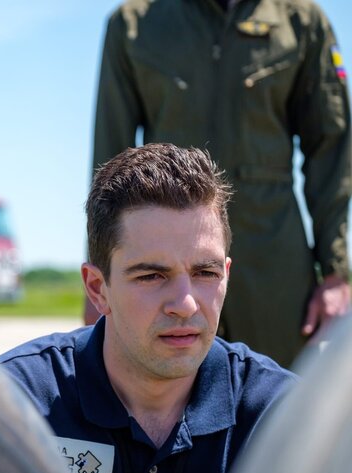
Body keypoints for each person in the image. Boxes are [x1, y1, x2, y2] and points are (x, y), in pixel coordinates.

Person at [0, 144, 297, 473]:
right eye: (152, 276)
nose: (185, 304)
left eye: (205, 273)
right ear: (98, 289)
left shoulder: (281, 418)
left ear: (226, 274)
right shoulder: (14, 404)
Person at [88, 0, 352, 368]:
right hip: (166, 265)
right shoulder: (133, 25)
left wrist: (336, 273)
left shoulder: (302, 22)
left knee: (278, 396)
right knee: (159, 391)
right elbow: (110, 164)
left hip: (273, 268)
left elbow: (331, 151)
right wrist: (102, 271)